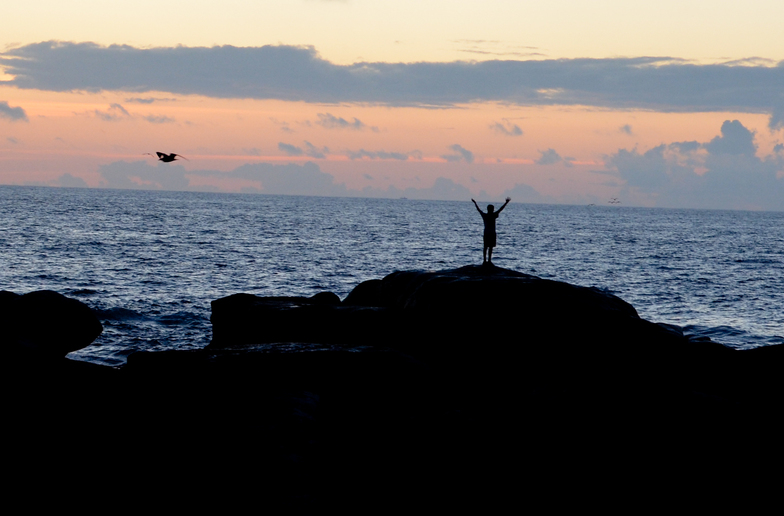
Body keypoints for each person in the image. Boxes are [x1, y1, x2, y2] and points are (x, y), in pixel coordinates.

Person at [472, 197, 511, 264]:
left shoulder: (485, 215)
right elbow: (500, 209)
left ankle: (485, 260)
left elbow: (479, 210)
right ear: (491, 209)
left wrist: (475, 203)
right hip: (491, 233)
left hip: (487, 233)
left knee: (486, 247)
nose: (493, 210)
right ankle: (488, 260)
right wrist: (506, 203)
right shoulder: (493, 215)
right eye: (492, 209)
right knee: (489, 247)